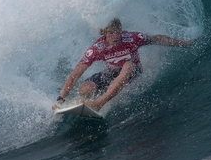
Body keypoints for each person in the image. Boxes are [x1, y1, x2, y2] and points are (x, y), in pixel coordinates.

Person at [53, 18, 194, 111]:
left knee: (128, 65)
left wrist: (183, 43)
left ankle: (99, 103)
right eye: (111, 33)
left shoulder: (132, 38)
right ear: (104, 34)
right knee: (85, 89)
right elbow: (76, 73)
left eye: (117, 32)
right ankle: (86, 105)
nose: (115, 36)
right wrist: (61, 99)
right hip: (111, 74)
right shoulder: (97, 48)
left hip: (132, 72)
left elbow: (157, 39)